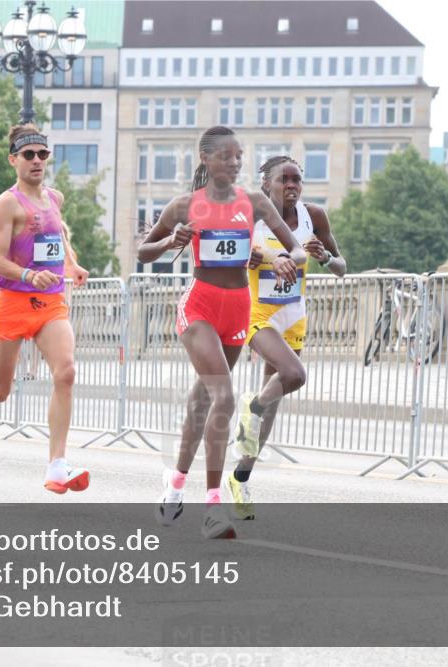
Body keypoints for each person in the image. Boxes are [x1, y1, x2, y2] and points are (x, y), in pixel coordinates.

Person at [137, 126, 305, 539]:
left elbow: (297, 248)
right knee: (224, 397)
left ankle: (174, 484)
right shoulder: (184, 205)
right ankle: (213, 507)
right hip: (200, 307)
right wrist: (169, 241)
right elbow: (143, 251)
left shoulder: (255, 202)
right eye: (226, 156)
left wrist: (288, 257)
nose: (234, 163)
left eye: (238, 156)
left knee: (202, 401)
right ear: (206, 159)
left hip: (238, 310)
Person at [0, 123, 91, 494]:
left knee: (66, 372)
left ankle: (57, 466)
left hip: (50, 303)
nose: (37, 161)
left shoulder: (55, 198)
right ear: (14, 160)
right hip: (13, 303)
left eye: (43, 154)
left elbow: (59, 234)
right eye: (29, 155)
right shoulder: (7, 203)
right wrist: (29, 274)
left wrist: (71, 264)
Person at [226, 155, 347, 520]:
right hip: (256, 312)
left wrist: (325, 257)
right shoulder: (250, 214)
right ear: (267, 184)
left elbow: (342, 268)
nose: (292, 186)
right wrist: (259, 256)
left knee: (271, 409)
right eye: (284, 179)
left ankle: (240, 478)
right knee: (293, 375)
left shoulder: (314, 217)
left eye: (297, 179)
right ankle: (252, 406)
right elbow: (231, 250)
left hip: (293, 316)